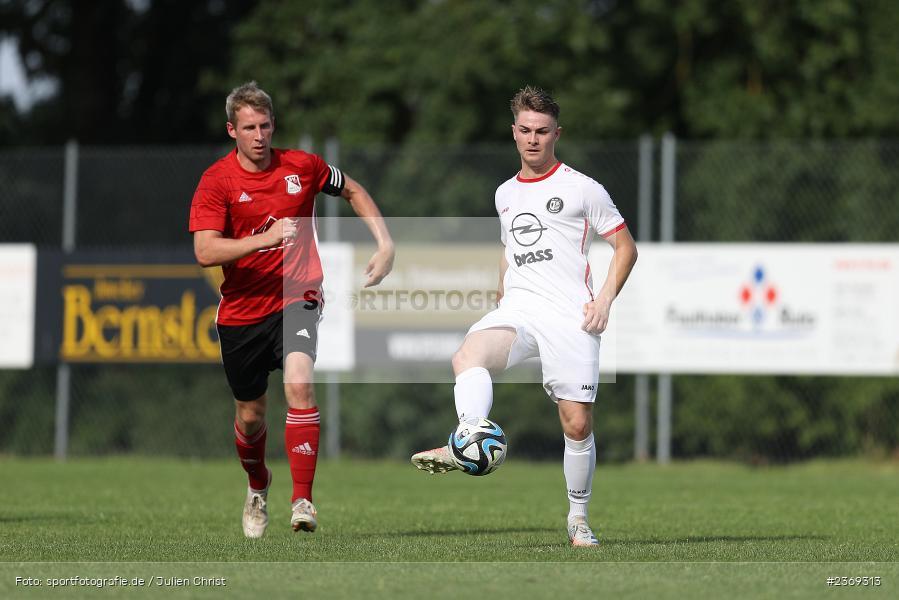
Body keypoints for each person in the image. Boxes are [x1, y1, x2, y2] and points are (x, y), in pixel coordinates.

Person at [411, 86, 637, 547]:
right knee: (468, 356)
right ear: (513, 132)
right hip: (520, 308)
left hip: (571, 316)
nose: (533, 139)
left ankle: (578, 520)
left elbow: (625, 247)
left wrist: (605, 299)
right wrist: (500, 292)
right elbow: (509, 248)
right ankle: (469, 437)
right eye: (525, 130)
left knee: (576, 424)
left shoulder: (582, 188)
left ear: (557, 133)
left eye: (543, 131)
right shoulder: (504, 193)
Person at [189, 81, 394, 538]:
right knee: (251, 413)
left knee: (300, 384)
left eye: (265, 125)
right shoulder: (216, 181)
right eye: (248, 128)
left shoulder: (303, 166)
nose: (259, 135)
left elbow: (354, 190)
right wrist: (266, 237)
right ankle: (258, 485)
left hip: (298, 294)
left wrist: (385, 242)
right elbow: (205, 251)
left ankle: (303, 500)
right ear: (232, 130)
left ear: (273, 125)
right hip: (242, 310)